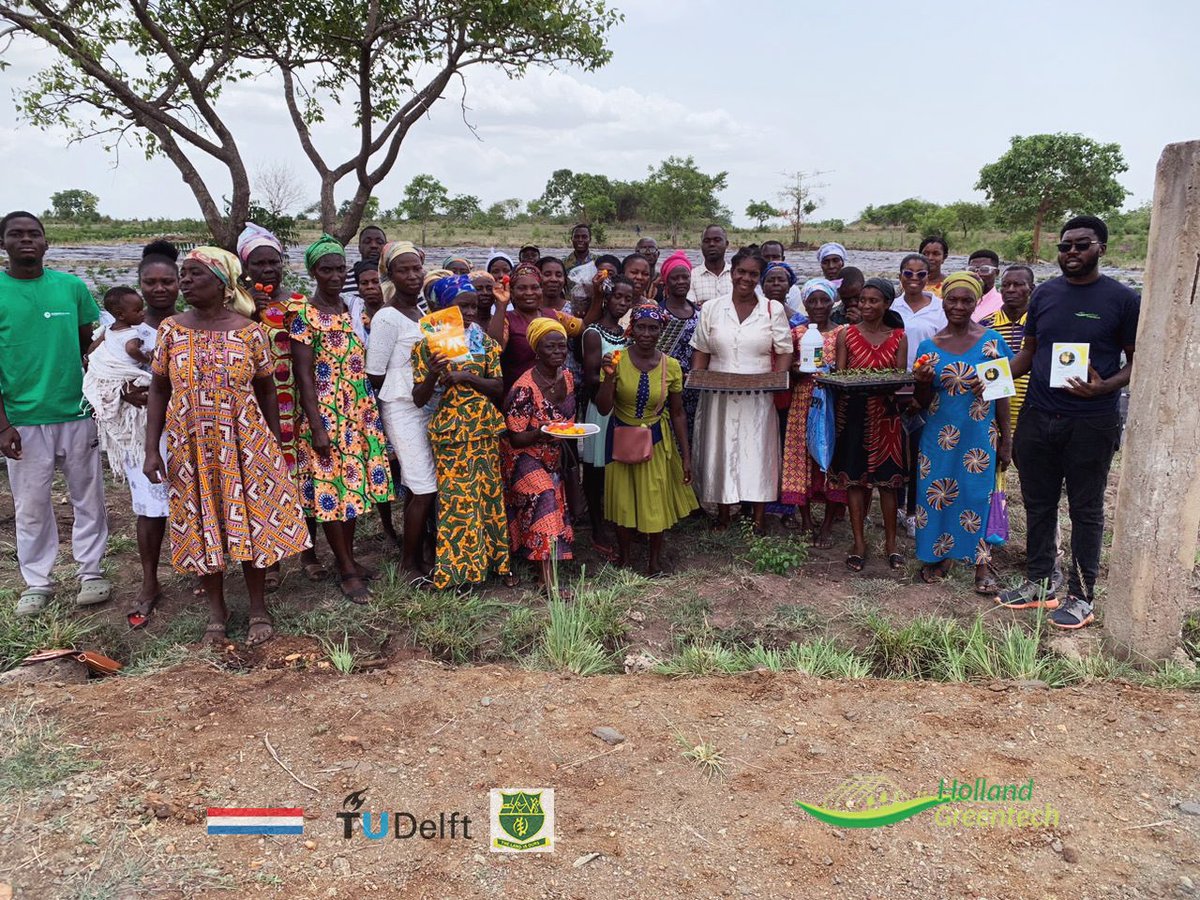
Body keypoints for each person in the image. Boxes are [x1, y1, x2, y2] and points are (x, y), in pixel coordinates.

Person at [144, 247, 309, 646]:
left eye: (195, 274)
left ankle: (257, 607)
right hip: (191, 444)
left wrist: (271, 440)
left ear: (222, 283)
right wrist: (152, 448)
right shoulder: (172, 330)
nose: (184, 281)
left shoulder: (249, 331)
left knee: (250, 521)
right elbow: (159, 387)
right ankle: (217, 610)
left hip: (245, 441)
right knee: (202, 520)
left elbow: (267, 387)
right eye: (184, 274)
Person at [1000, 216, 1139, 630]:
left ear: (1102, 249)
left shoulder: (1122, 299)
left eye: (1082, 245)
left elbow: (1136, 360)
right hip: (1038, 417)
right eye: (1065, 247)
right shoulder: (1044, 295)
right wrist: (987, 378)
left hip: (1091, 421)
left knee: (1086, 508)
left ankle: (1082, 596)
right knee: (1038, 502)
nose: (1072, 253)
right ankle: (1041, 582)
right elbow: (1027, 355)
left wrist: (1105, 387)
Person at [0, 211, 110, 616]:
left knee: (89, 498)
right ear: (3, 243)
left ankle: (92, 572)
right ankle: (37, 581)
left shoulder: (71, 287)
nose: (26, 240)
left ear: (46, 242)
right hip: (23, 419)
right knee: (30, 505)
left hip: (78, 412)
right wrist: (3, 425)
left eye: (34, 234)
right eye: (16, 234)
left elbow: (89, 349)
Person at [291, 235, 395, 602]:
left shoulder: (349, 310)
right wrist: (317, 426)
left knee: (352, 492)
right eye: (326, 270)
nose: (334, 276)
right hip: (328, 418)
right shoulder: (305, 315)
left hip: (358, 413)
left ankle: (346, 559)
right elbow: (303, 376)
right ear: (313, 272)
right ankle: (347, 570)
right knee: (333, 495)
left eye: (339, 269)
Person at [238, 223, 333, 587]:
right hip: (257, 406)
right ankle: (273, 558)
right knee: (266, 480)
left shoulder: (297, 302)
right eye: (259, 264)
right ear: (247, 267)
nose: (267, 270)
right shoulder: (237, 304)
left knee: (303, 478)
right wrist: (251, 314)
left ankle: (308, 551)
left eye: (273, 263)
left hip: (295, 401)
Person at [911, 272, 1012, 591]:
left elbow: (1003, 394)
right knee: (937, 496)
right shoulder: (929, 347)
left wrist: (1007, 439)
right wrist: (923, 383)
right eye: (952, 299)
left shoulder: (992, 342)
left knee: (976, 495)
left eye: (966, 300)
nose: (958, 306)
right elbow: (922, 402)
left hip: (980, 434)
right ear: (943, 302)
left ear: (976, 302)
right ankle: (942, 556)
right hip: (939, 436)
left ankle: (982, 566)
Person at [411, 276, 512, 590]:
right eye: (461, 306)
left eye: (472, 305)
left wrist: (464, 376)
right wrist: (433, 372)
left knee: (488, 497)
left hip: (483, 426)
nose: (469, 311)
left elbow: (497, 386)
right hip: (451, 430)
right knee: (457, 502)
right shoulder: (427, 343)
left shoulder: (483, 341)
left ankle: (495, 565)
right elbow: (418, 398)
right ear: (443, 308)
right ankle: (459, 574)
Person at [690, 250, 794, 532]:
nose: (746, 278)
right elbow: (701, 349)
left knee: (757, 451)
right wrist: (699, 381)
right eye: (741, 272)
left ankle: (758, 519)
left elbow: (784, 350)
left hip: (759, 394)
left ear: (759, 278)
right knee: (722, 449)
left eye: (753, 274)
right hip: (718, 393)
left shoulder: (772, 309)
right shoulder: (712, 308)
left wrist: (775, 382)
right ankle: (724, 515)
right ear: (732, 271)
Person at [594, 304, 698, 574]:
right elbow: (604, 408)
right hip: (621, 438)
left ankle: (654, 561)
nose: (647, 333)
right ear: (632, 329)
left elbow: (677, 413)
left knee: (655, 500)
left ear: (661, 330)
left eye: (653, 328)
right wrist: (608, 378)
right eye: (641, 326)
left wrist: (686, 456)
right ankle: (626, 558)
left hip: (656, 439)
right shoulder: (616, 358)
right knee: (622, 500)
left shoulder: (671, 366)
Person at [365, 240, 439, 581]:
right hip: (402, 408)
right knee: (423, 486)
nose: (412, 275)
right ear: (390, 275)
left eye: (416, 268)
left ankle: (423, 550)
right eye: (403, 270)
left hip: (427, 404)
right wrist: (409, 387)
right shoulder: (386, 317)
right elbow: (375, 373)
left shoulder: (422, 313)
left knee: (418, 484)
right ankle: (408, 564)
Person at [116, 242, 181, 627]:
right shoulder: (125, 330)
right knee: (149, 507)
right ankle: (150, 580)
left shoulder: (193, 322)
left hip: (190, 426)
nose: (159, 288)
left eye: (167, 281)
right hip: (143, 430)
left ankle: (202, 570)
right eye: (150, 282)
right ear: (139, 285)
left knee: (198, 501)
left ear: (179, 283)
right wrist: (124, 391)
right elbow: (105, 374)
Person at [829, 277, 908, 572]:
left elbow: (899, 378)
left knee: (888, 484)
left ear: (887, 304)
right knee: (854, 481)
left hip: (886, 416)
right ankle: (859, 542)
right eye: (862, 300)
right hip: (853, 414)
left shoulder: (899, 336)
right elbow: (841, 375)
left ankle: (890, 543)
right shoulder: (846, 335)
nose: (866, 306)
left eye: (873, 301)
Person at [502, 318, 578, 595]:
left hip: (552, 452)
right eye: (551, 346)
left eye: (563, 346)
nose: (558, 351)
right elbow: (515, 436)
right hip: (523, 456)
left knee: (552, 502)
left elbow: (569, 420)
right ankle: (549, 583)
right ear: (537, 350)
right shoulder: (524, 388)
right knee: (545, 499)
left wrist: (559, 441)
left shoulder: (566, 377)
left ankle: (544, 571)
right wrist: (542, 433)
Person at [780, 278, 846, 547]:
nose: (818, 305)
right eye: (812, 300)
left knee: (831, 459)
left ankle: (828, 524)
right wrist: (799, 369)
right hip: (802, 402)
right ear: (804, 303)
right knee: (800, 457)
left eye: (824, 300)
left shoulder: (843, 333)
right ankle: (806, 520)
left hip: (831, 404)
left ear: (833, 302)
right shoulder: (797, 333)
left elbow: (844, 371)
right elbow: (789, 370)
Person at [579, 275, 635, 560]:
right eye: (618, 297)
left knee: (618, 468)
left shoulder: (628, 334)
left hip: (624, 408)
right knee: (595, 471)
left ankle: (617, 520)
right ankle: (597, 526)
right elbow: (589, 377)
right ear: (608, 297)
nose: (623, 303)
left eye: (628, 299)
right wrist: (609, 375)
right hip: (601, 408)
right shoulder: (594, 333)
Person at [488, 262, 590, 395]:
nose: (529, 293)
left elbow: (584, 327)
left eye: (534, 287)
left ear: (541, 290)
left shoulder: (554, 316)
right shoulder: (507, 320)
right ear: (512, 292)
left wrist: (596, 296)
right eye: (522, 288)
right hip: (521, 397)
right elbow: (495, 348)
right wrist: (501, 305)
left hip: (555, 393)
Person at [980, 265, 1034, 433]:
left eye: (1018, 285)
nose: (1010, 290)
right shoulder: (984, 326)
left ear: (1031, 289)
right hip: (992, 414)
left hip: (1032, 414)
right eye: (1005, 285)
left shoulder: (1042, 326)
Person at [656, 250, 701, 438]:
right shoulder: (658, 313)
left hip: (694, 389)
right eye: (675, 278)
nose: (681, 281)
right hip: (665, 387)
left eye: (685, 277)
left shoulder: (699, 313)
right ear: (666, 281)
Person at [688, 224, 732, 306]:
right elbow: (692, 309)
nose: (711, 244)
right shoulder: (691, 276)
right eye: (706, 241)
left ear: (726, 244)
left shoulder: (736, 275)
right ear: (701, 245)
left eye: (717, 240)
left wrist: (706, 304)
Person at [342, 225, 387, 300]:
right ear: (359, 248)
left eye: (379, 242)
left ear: (386, 247)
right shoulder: (344, 279)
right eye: (367, 242)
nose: (373, 245)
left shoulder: (394, 277)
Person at [758, 240, 803, 312]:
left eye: (775, 257)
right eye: (766, 257)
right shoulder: (752, 287)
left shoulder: (794, 291)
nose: (771, 261)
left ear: (783, 259)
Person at [967, 249, 1003, 321]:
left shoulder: (1002, 304)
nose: (977, 274)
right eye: (972, 270)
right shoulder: (958, 300)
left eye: (984, 270)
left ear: (996, 273)